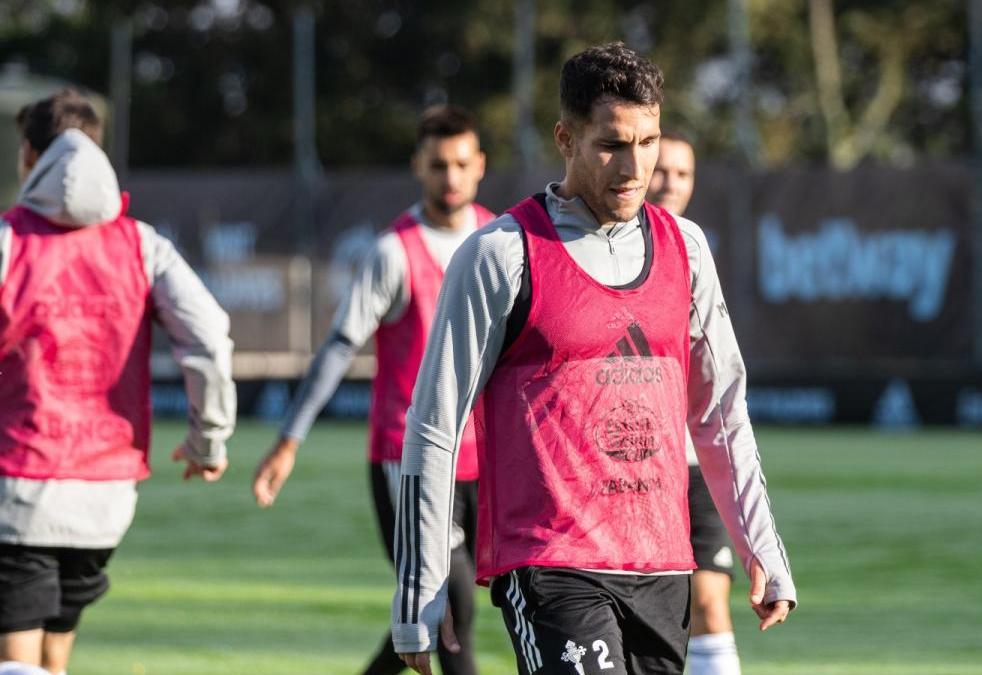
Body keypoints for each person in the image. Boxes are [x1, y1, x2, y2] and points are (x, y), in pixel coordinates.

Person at [392, 43, 794, 675]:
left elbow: (719, 413)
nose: (635, 167)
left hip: (662, 562)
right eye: (611, 144)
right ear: (565, 137)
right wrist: (418, 589)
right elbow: (434, 426)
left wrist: (761, 546)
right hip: (551, 564)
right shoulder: (501, 254)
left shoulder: (686, 249)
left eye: (649, 141)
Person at [0, 90, 235, 675]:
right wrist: (208, 438)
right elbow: (208, 335)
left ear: (29, 156)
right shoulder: (143, 245)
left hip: (18, 483)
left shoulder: (9, 241)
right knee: (53, 658)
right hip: (106, 495)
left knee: (16, 663)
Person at [252, 105, 492, 675]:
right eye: (438, 165)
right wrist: (290, 440)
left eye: (461, 163)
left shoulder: (495, 238)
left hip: (485, 458)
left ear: (480, 165)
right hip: (409, 459)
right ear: (419, 166)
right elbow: (339, 346)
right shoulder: (393, 253)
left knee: (441, 612)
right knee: (452, 605)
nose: (450, 177)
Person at [646, 131, 741, 675]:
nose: (670, 183)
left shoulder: (694, 248)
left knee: (709, 602)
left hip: (694, 461)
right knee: (655, 613)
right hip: (633, 463)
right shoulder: (603, 249)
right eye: (663, 170)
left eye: (683, 174)